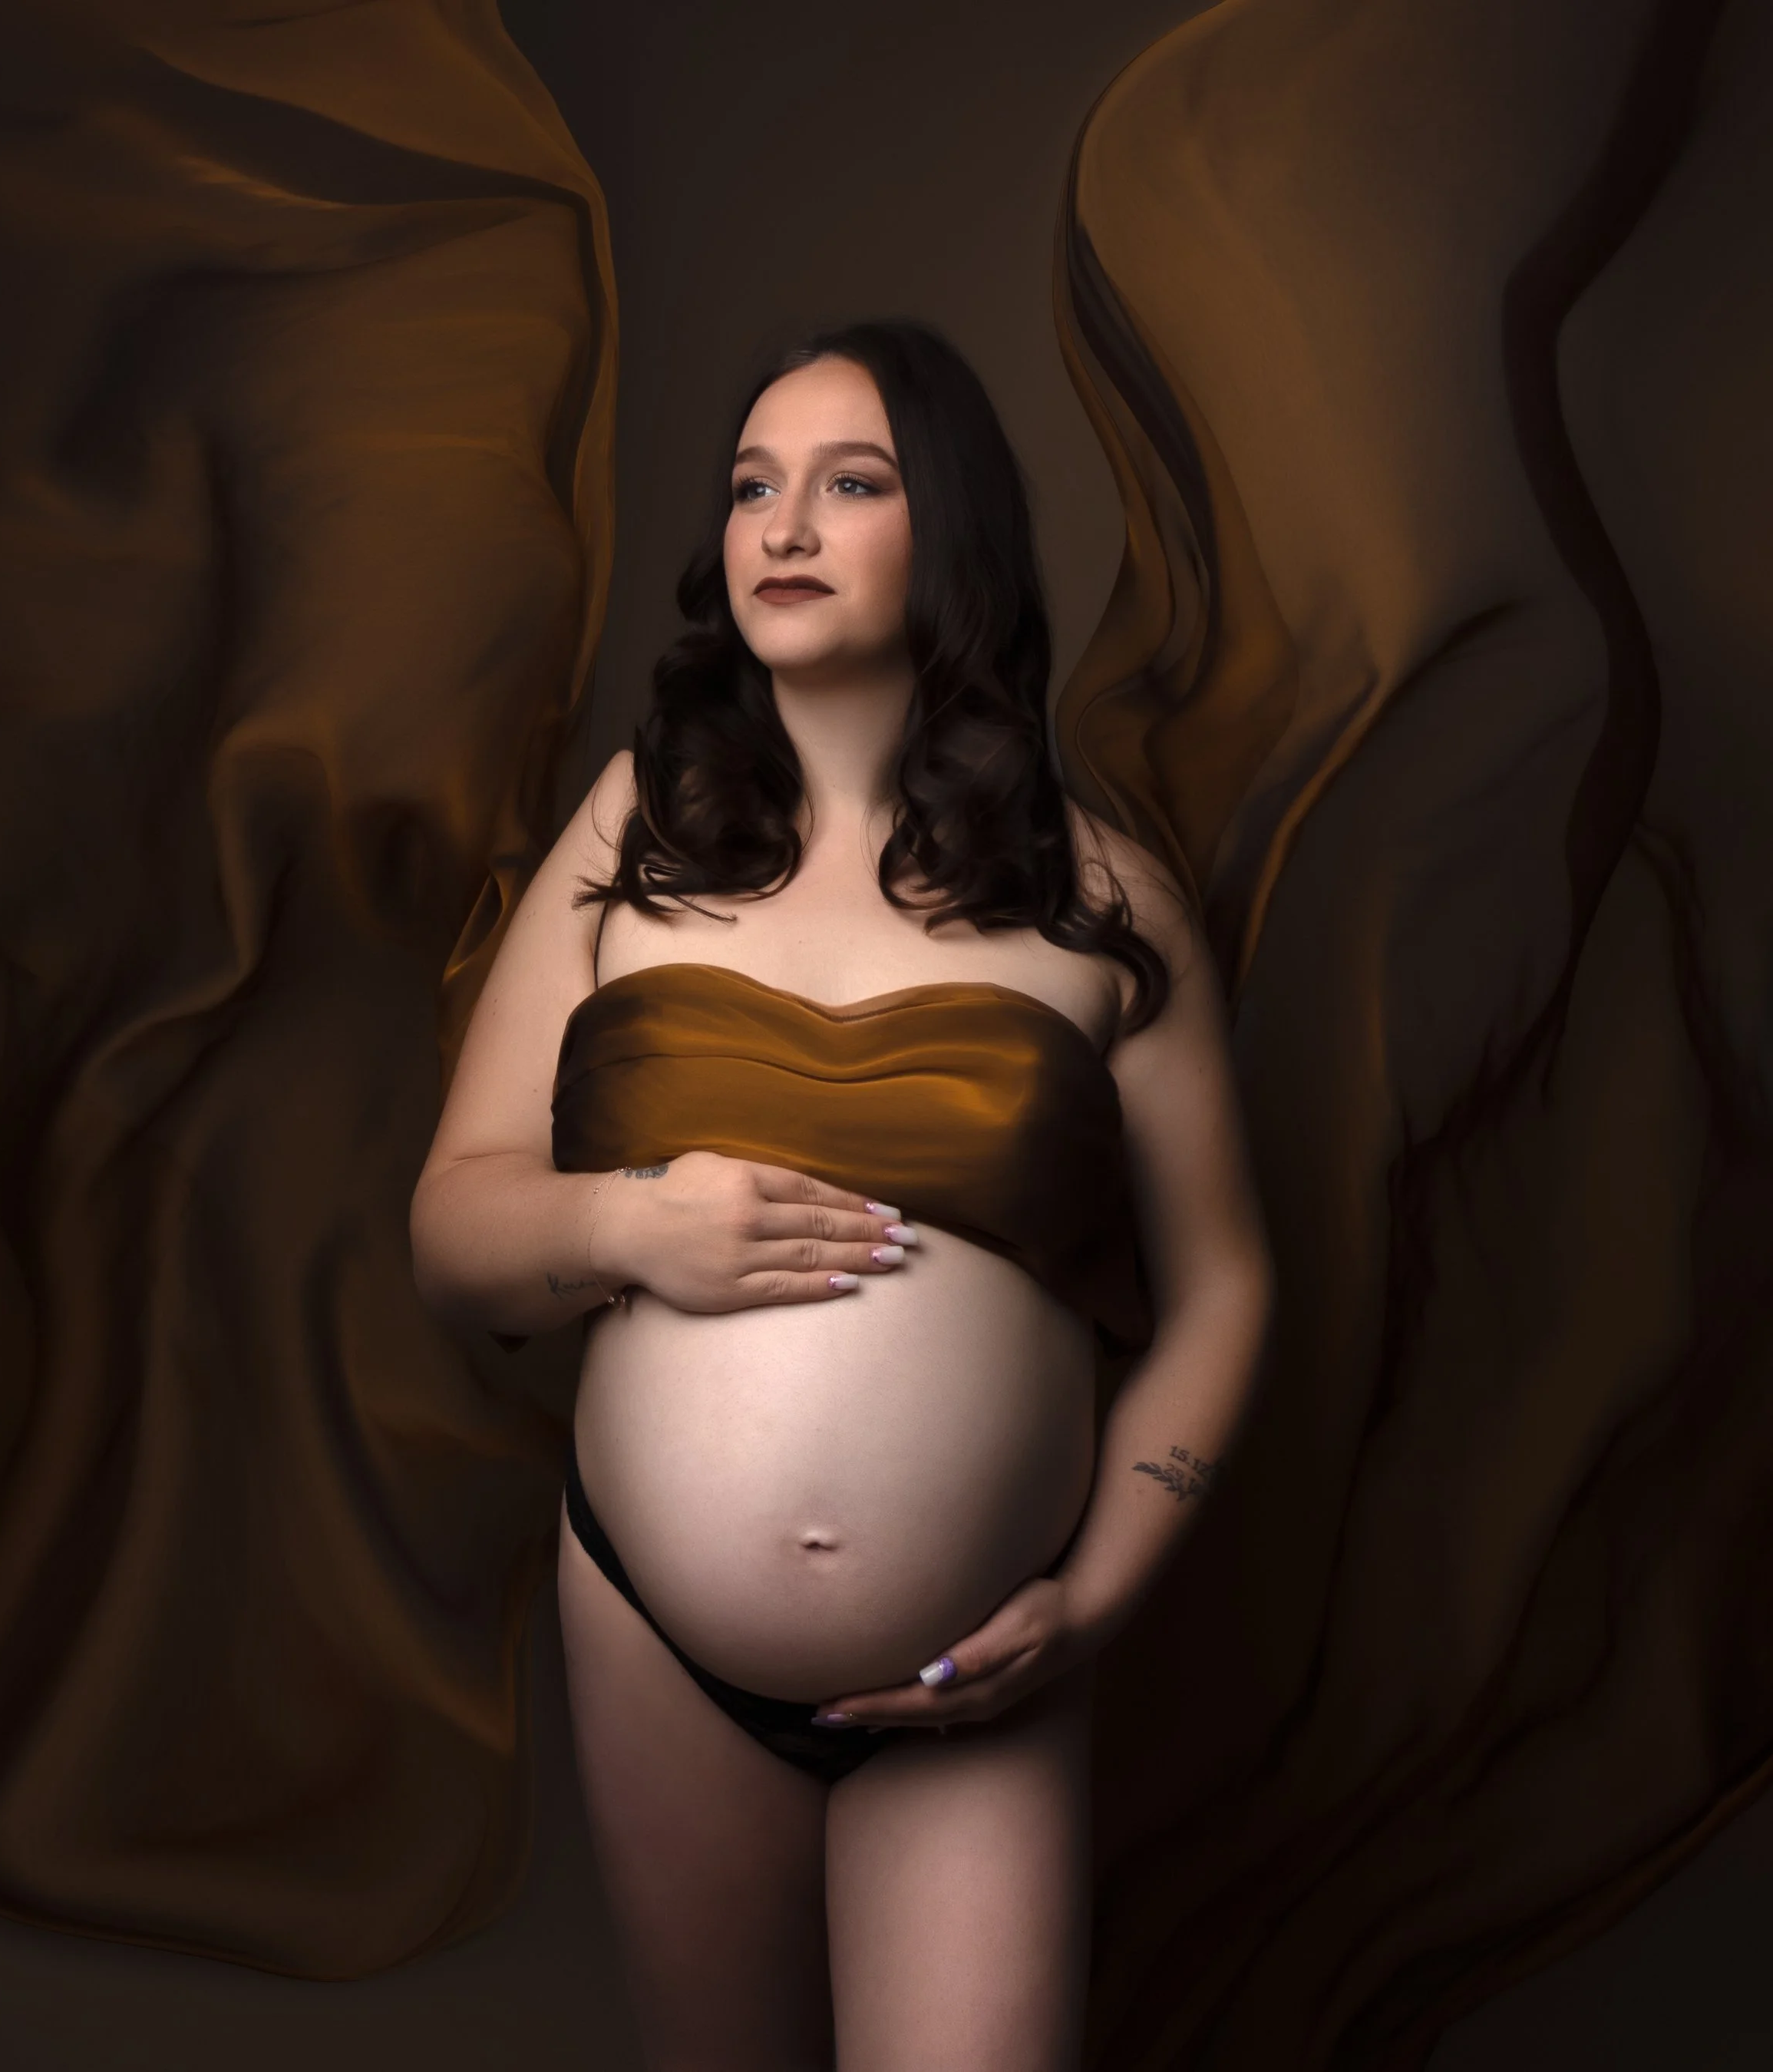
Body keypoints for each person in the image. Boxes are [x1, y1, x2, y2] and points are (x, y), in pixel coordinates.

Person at [409, 319, 1272, 2072]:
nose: (780, 526)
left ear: (942, 532)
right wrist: (629, 1221)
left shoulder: (1095, 892)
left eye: (848, 482)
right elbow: (454, 1228)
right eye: (750, 487)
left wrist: (1093, 1591)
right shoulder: (632, 832)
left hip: (982, 1661)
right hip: (664, 1638)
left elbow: (1226, 1288)